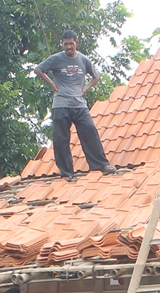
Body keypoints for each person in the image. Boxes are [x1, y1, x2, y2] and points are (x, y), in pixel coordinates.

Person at [35, 31, 114, 182]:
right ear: (62, 44)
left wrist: (85, 89)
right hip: (61, 104)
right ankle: (66, 172)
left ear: (76, 43)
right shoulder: (56, 59)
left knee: (89, 131)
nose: (68, 47)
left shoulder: (83, 60)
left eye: (71, 43)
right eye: (66, 44)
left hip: (79, 104)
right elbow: (38, 69)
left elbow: (96, 76)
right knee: (61, 138)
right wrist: (52, 84)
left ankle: (100, 165)